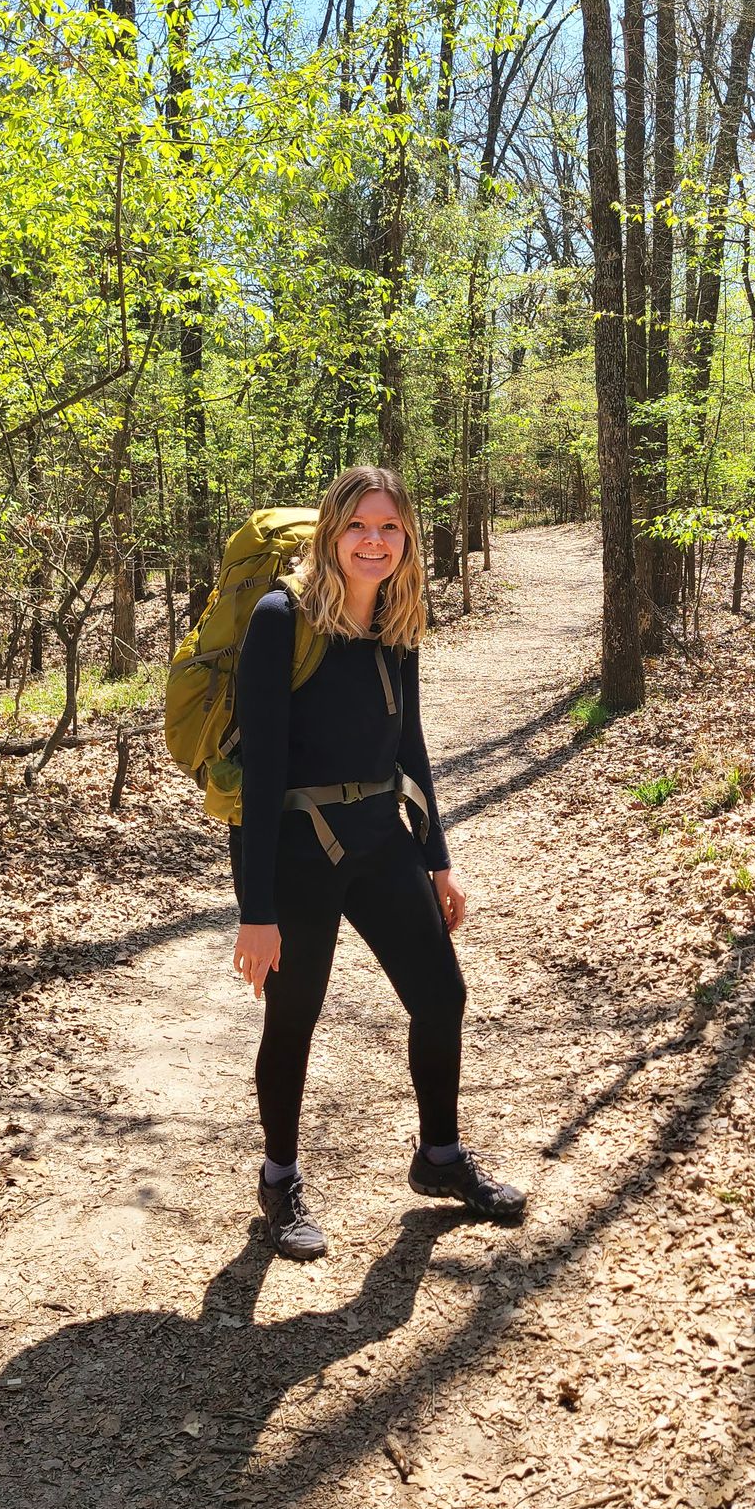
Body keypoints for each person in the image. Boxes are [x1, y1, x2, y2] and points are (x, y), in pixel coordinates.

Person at [229, 465, 526, 1260]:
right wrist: (255, 912)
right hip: (295, 849)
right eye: (360, 525)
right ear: (332, 531)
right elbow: (259, 776)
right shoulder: (278, 619)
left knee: (442, 996)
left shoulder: (397, 621)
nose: (374, 541)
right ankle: (279, 1177)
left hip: (380, 836)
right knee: (294, 1017)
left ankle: (438, 1159)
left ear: (407, 540)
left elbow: (413, 750)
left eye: (390, 528)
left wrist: (439, 860)